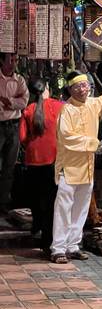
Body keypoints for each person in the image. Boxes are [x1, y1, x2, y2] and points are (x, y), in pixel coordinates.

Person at [50, 65, 102, 264]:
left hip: (87, 167)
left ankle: (73, 245)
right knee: (63, 208)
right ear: (70, 90)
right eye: (77, 86)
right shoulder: (66, 110)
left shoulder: (93, 104)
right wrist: (95, 144)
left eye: (85, 85)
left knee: (80, 208)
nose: (82, 89)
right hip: (68, 169)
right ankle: (58, 248)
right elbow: (67, 138)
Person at [19, 78, 63, 254]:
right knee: (51, 200)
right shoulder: (58, 106)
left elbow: (22, 138)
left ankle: (37, 227)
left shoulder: (28, 110)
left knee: (37, 200)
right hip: (53, 160)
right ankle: (48, 238)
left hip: (33, 160)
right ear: (47, 89)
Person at [0, 53, 29, 214]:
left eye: (15, 60)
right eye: (10, 59)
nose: (13, 63)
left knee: (9, 167)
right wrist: (14, 100)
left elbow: (24, 101)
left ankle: (3, 202)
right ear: (2, 60)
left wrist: (8, 101)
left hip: (13, 126)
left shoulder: (19, 80)